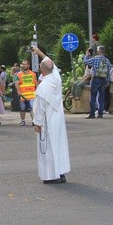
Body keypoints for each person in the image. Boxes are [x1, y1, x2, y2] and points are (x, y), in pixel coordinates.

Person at [31, 47, 70, 184]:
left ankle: (52, 175)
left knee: (47, 147)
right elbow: (50, 63)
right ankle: (61, 172)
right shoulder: (56, 78)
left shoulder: (43, 87)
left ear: (41, 71)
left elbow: (39, 108)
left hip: (47, 120)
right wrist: (39, 52)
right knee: (59, 145)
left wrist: (37, 122)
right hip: (58, 117)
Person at [83, 46, 112, 119]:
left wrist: (87, 55)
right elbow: (108, 71)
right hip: (103, 79)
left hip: (95, 78)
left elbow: (86, 62)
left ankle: (92, 114)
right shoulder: (107, 60)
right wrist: (108, 81)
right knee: (101, 97)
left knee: (93, 96)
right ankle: (100, 114)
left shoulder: (95, 58)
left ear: (99, 51)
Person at [14, 60, 37, 126]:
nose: (23, 65)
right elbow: (16, 83)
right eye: (22, 64)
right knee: (22, 109)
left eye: (25, 64)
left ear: (28, 65)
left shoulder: (33, 74)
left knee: (32, 108)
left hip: (32, 95)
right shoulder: (19, 74)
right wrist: (18, 91)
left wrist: (37, 91)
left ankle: (34, 121)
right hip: (23, 95)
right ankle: (23, 120)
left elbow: (35, 83)